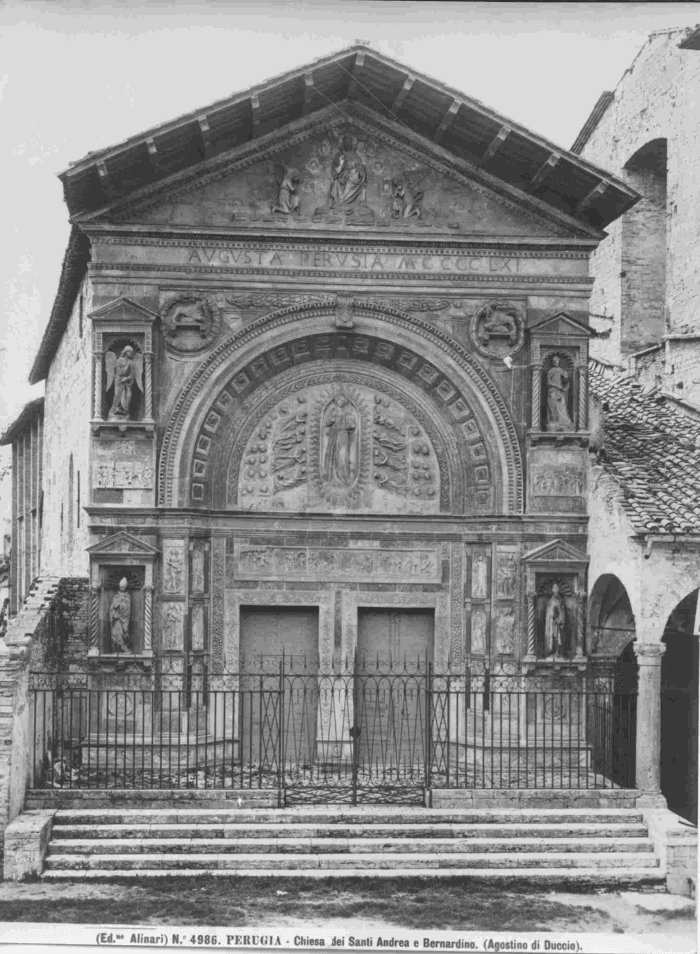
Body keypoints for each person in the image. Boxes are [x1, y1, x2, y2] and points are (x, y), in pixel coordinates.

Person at [323, 397, 358, 487]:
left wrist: (350, 425)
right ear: (336, 401)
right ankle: (332, 477)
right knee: (333, 453)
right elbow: (327, 423)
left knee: (343, 454)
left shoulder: (347, 412)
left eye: (342, 401)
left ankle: (343, 477)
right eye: (339, 400)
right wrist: (332, 420)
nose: (341, 402)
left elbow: (351, 426)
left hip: (343, 434)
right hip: (334, 434)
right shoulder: (333, 411)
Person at [546, 357, 574, 431]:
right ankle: (554, 423)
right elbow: (548, 382)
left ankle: (563, 422)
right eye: (553, 361)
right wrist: (556, 385)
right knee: (553, 407)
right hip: (553, 391)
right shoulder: (551, 371)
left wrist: (566, 378)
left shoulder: (562, 371)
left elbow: (566, 381)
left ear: (559, 361)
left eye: (556, 361)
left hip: (560, 392)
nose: (555, 362)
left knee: (562, 406)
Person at [109, 346, 136, 420]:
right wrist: (124, 376)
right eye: (129, 351)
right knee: (118, 394)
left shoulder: (131, 362)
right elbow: (119, 371)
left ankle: (124, 410)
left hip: (127, 382)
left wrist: (127, 378)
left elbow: (132, 374)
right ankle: (116, 409)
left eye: (132, 352)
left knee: (128, 395)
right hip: (119, 380)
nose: (131, 353)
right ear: (126, 352)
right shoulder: (119, 360)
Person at [544, 583, 566, 659]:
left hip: (558, 623)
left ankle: (558, 652)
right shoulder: (550, 601)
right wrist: (551, 616)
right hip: (551, 623)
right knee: (552, 637)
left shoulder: (560, 601)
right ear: (552, 590)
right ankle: (551, 652)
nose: (556, 591)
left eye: (557, 589)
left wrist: (559, 620)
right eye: (555, 589)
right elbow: (548, 612)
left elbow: (562, 612)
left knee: (558, 638)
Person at [109, 578, 131, 653]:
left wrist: (123, 604)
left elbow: (128, 607)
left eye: (123, 587)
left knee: (125, 631)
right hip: (117, 619)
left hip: (125, 618)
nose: (122, 588)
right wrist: (114, 614)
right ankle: (117, 649)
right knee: (116, 634)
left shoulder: (127, 596)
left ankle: (125, 647)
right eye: (121, 587)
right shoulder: (116, 596)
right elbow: (112, 607)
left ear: (125, 587)